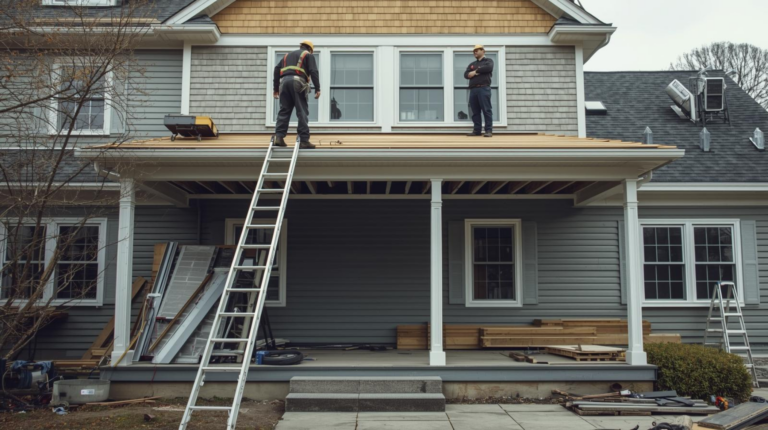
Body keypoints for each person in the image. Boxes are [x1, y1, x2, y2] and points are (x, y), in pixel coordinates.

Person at [273, 40, 320, 148]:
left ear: (301, 46)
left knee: (284, 110)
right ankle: (303, 140)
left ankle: (279, 137)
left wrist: (275, 89)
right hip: (297, 83)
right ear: (310, 49)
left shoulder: (286, 56)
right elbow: (313, 71)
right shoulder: (308, 55)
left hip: (283, 83)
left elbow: (276, 69)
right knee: (302, 111)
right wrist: (318, 88)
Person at [464, 44, 494, 137]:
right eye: (474, 51)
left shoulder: (488, 61)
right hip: (473, 90)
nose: (475, 52)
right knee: (475, 111)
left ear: (483, 51)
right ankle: (477, 130)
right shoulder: (472, 64)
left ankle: (488, 130)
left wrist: (475, 72)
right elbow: (466, 74)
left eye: (477, 50)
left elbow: (488, 68)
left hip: (484, 88)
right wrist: (473, 72)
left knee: (486, 110)